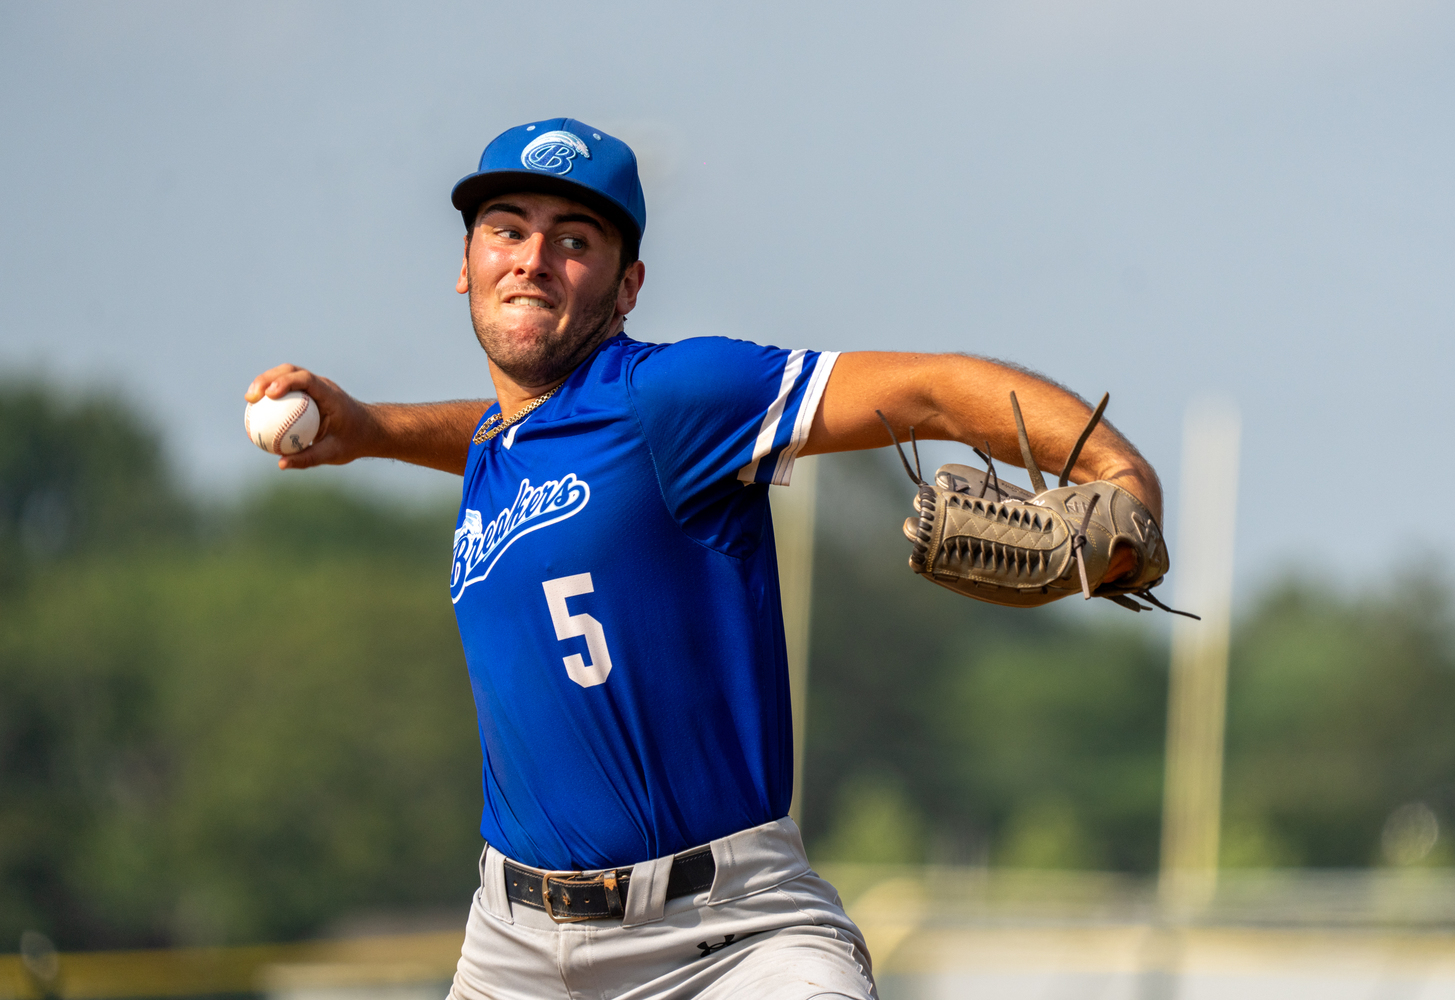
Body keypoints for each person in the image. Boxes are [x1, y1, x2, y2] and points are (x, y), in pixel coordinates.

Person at [245, 118, 1162, 1000]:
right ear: (467, 264)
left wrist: (1117, 472)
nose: (532, 258)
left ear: (628, 284)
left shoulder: (675, 396)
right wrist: (372, 430)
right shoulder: (510, 446)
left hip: (729, 940)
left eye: (574, 239)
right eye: (507, 229)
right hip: (512, 949)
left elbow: (925, 390)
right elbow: (504, 432)